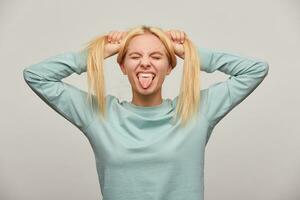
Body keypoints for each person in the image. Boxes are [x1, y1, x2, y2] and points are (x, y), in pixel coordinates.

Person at [23, 25, 269, 200]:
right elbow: (36, 76)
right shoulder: (99, 115)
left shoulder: (196, 110)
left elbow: (255, 70)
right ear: (122, 66)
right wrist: (101, 52)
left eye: (157, 56)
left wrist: (189, 53)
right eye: (134, 56)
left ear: (170, 66)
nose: (145, 63)